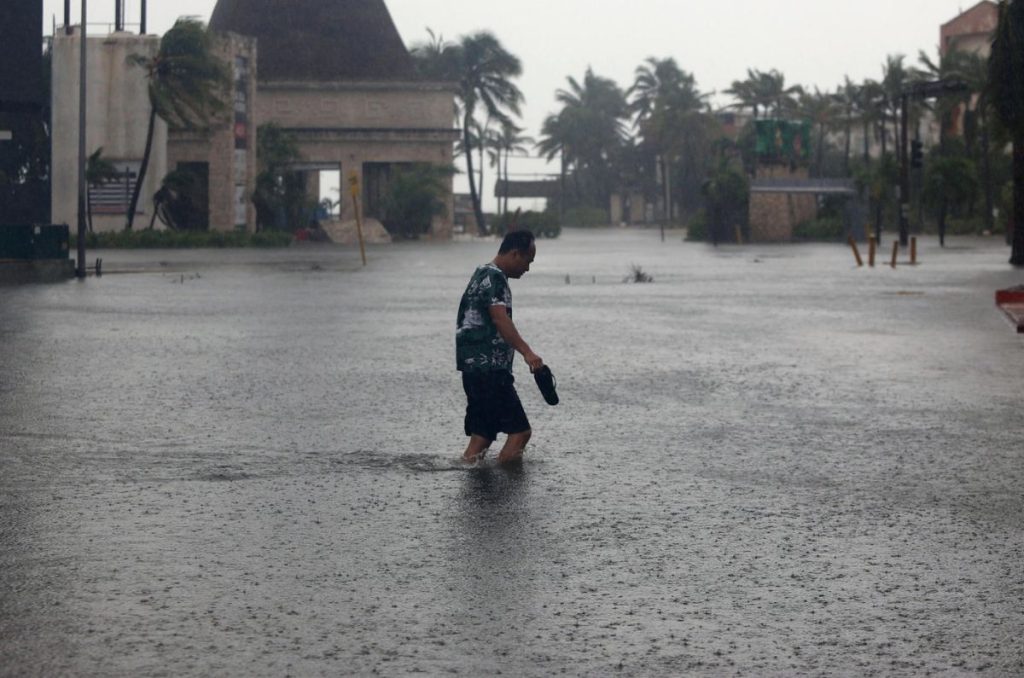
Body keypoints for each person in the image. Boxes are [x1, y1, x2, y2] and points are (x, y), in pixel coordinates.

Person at [455, 230, 543, 465]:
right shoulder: (496, 279)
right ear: (515, 254)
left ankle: (475, 487)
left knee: (482, 436)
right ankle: (507, 493)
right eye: (528, 261)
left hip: (473, 371)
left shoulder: (480, 274)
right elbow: (500, 318)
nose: (527, 268)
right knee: (520, 433)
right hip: (490, 371)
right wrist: (527, 352)